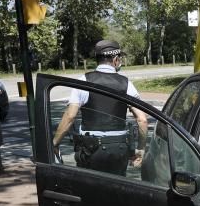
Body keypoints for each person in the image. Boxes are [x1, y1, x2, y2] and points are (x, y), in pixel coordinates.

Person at [52, 40, 148, 176]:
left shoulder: (83, 81)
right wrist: (141, 149)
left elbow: (70, 116)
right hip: (119, 149)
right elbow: (142, 120)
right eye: (119, 58)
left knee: (90, 189)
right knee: (117, 189)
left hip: (90, 149)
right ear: (115, 59)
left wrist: (55, 143)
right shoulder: (127, 84)